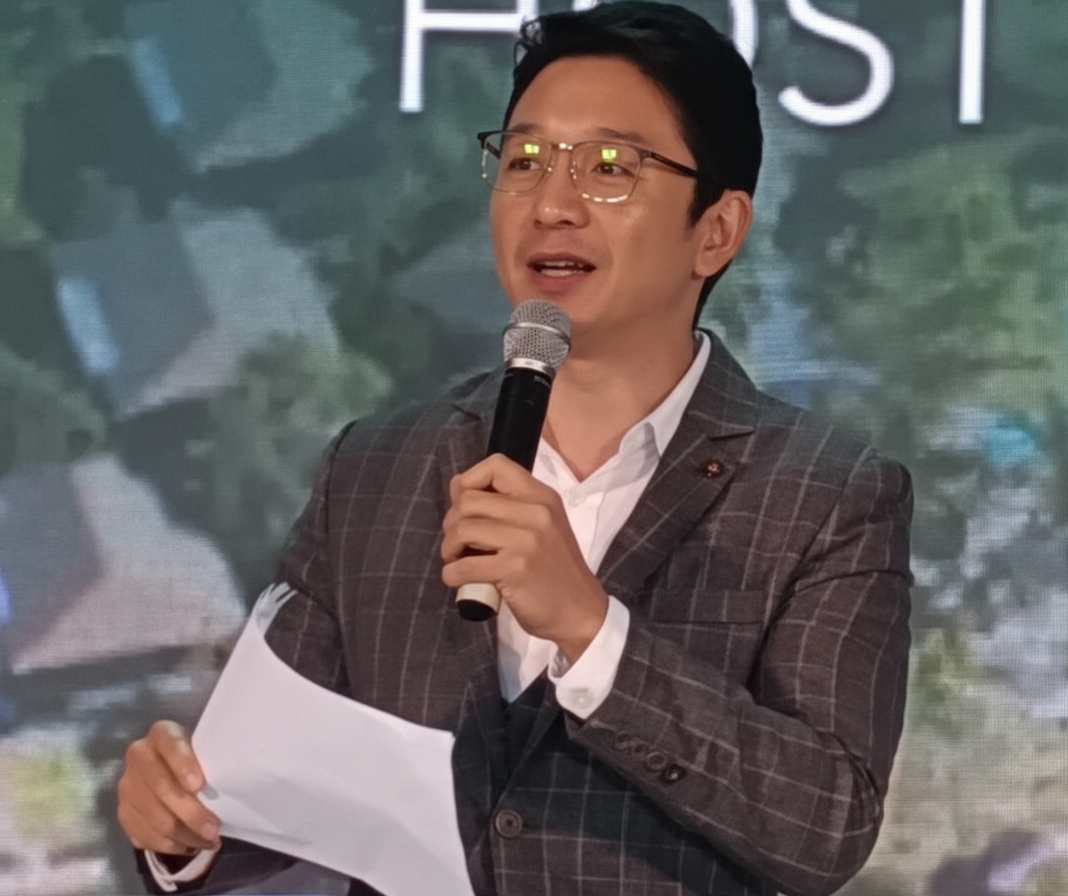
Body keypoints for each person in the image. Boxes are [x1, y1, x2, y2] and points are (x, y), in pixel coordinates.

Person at [116, 3, 912, 895]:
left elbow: (823, 828)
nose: (552, 205)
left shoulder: (829, 494)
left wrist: (591, 630)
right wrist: (182, 824)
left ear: (716, 230)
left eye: (609, 168)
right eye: (525, 160)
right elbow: (273, 779)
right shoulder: (379, 467)